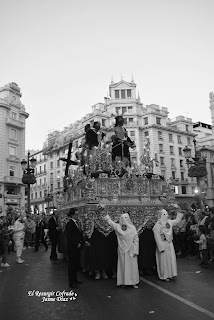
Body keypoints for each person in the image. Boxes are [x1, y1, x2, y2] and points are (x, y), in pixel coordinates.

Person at [101, 207, 139, 288]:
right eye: (122, 218)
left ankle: (133, 282)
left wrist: (136, 250)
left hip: (131, 250)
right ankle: (124, 281)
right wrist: (105, 213)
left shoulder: (132, 228)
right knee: (123, 266)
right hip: (122, 251)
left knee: (132, 266)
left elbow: (136, 240)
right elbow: (110, 222)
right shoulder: (118, 227)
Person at [153, 205, 183, 281]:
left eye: (166, 214)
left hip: (169, 243)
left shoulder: (169, 222)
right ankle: (164, 275)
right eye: (164, 214)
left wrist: (179, 212)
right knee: (163, 261)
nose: (165, 216)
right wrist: (161, 247)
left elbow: (177, 221)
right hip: (163, 244)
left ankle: (171, 274)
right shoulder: (157, 225)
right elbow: (157, 237)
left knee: (170, 259)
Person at [64, 208, 89, 289]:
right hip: (72, 248)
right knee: (72, 265)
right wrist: (76, 243)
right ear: (72, 215)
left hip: (77, 247)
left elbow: (79, 234)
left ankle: (75, 280)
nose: (78, 216)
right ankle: (71, 282)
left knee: (75, 264)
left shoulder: (76, 223)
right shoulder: (70, 223)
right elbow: (69, 236)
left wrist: (83, 241)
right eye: (76, 214)